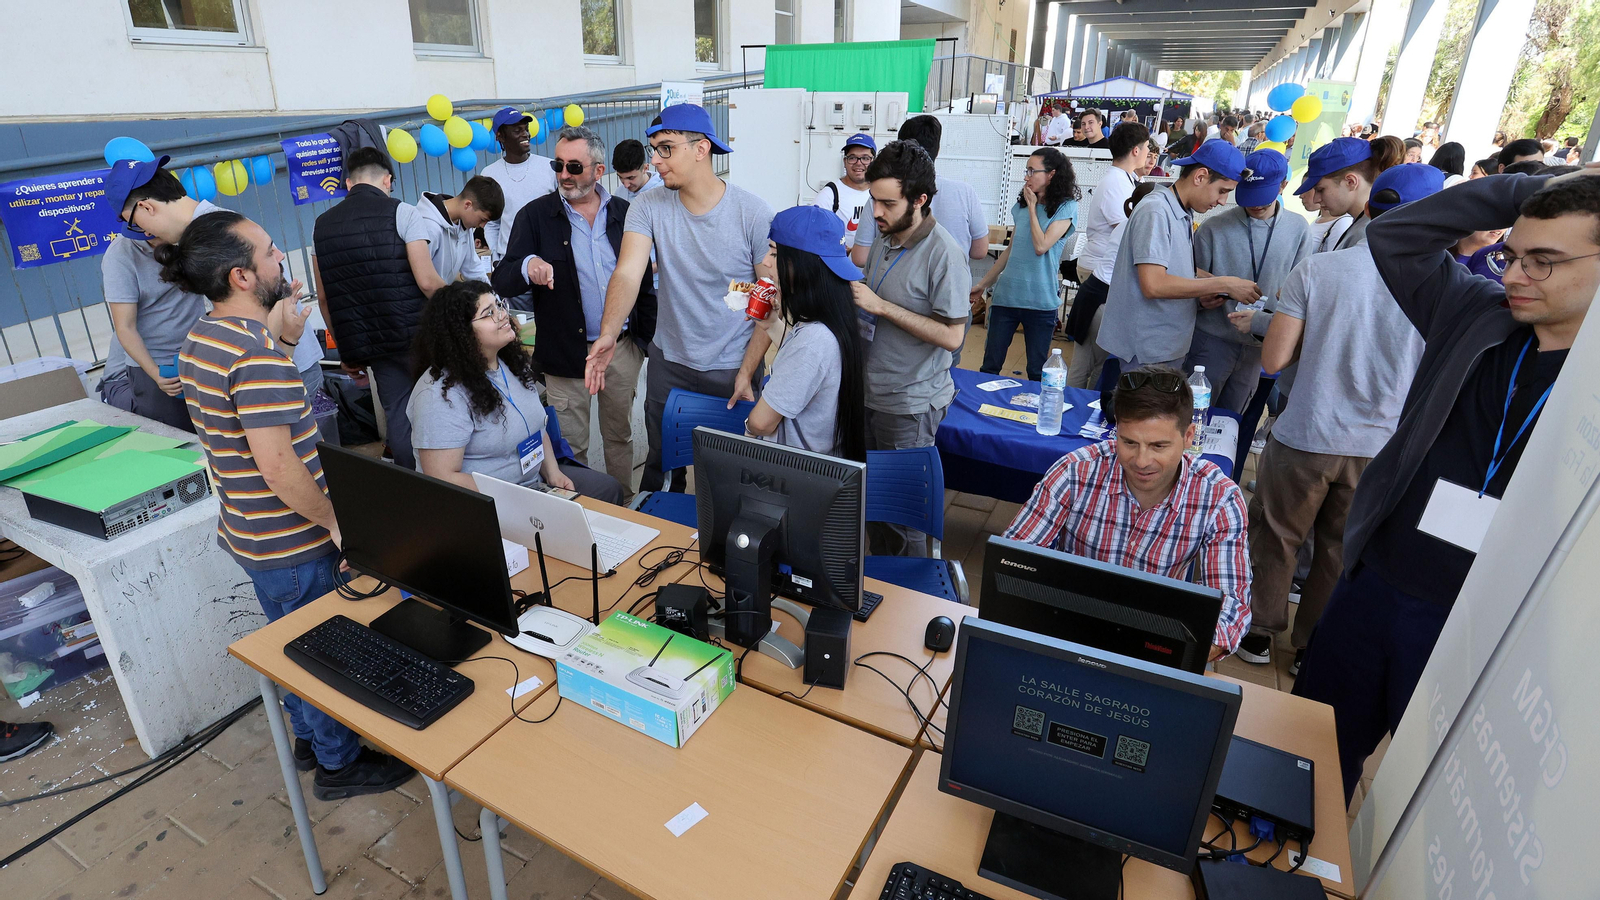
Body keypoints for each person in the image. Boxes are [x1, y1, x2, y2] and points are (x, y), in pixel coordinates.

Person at [1293, 167, 1598, 803]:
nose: (1513, 275)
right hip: (1376, 585)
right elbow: (1397, 237)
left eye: (1543, 262)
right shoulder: (1476, 315)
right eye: (1511, 255)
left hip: (1484, 630)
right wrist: (1535, 190)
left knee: (1433, 799)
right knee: (1305, 756)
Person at [164, 211, 414, 799]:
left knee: (292, 640)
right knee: (323, 651)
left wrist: (286, 337)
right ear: (242, 276)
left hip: (251, 534)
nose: (283, 258)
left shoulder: (206, 338)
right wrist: (334, 521)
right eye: (271, 252)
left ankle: (309, 739)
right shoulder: (254, 358)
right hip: (293, 540)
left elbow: (242, 413)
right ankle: (338, 765)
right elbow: (278, 465)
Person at [1229, 165, 1438, 674]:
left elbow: (1274, 361)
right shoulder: (1444, 287)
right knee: (1340, 551)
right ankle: (1311, 647)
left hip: (1307, 433)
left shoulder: (1321, 271)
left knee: (1278, 533)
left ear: (1370, 207)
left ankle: (1258, 635)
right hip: (1380, 446)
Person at [586, 103, 775, 495]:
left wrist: (747, 370)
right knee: (661, 469)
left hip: (732, 367)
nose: (655, 161)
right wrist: (608, 332)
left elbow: (768, 300)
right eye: (654, 149)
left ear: (701, 148)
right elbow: (627, 272)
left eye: (666, 148)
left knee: (732, 478)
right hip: (668, 363)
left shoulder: (752, 213)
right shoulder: (648, 206)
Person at [1003, 367, 1251, 658]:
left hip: (1156, 644)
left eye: (1159, 446)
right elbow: (1012, 559)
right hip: (1066, 630)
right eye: (1129, 442)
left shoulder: (1219, 497)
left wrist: (1172, 654)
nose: (1142, 461)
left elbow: (1231, 608)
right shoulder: (1075, 470)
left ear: (1189, 436)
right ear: (1116, 429)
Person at [491, 126, 654, 499]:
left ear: (598, 171)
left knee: (619, 437)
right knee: (570, 446)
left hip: (620, 351)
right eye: (558, 165)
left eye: (574, 166)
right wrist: (528, 264)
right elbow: (502, 277)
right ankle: (580, 513)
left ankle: (623, 505)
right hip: (567, 357)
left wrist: (641, 342)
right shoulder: (536, 216)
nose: (564, 174)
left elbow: (643, 282)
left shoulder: (626, 214)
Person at [105, 157, 317, 433]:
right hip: (267, 370)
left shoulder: (215, 235)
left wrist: (272, 361)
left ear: (146, 207)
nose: (143, 233)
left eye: (135, 223)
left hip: (275, 372)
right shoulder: (215, 226)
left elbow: (274, 302)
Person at [852, 140, 971, 555]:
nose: (876, 213)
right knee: (876, 509)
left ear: (920, 199)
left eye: (887, 203)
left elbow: (954, 336)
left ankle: (913, 605)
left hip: (909, 404)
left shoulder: (945, 254)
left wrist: (881, 307)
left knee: (906, 520)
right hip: (872, 393)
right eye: (873, 201)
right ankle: (882, 596)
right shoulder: (886, 238)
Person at [408, 282, 623, 503]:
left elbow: (538, 428)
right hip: (489, 503)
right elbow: (442, 478)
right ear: (461, 332)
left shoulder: (510, 363)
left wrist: (552, 472)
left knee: (609, 489)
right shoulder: (439, 395)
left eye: (499, 305)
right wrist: (515, 498)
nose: (502, 315)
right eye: (488, 313)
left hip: (534, 482)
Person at [311, 147, 432, 469]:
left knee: (398, 413)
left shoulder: (321, 226)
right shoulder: (403, 212)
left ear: (349, 183)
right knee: (438, 407)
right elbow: (428, 282)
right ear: (387, 179)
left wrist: (348, 351)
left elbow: (325, 299)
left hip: (373, 346)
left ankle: (415, 485)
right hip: (419, 336)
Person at [1096, 140, 1260, 372]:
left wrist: (1208, 288)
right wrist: (1223, 283)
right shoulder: (1156, 210)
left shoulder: (1180, 211)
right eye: (1222, 191)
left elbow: (1177, 269)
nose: (1223, 201)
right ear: (1200, 176)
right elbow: (1153, 284)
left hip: (1166, 347)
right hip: (1146, 352)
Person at [1184, 149, 1313, 413]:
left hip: (1259, 343)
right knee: (1192, 416)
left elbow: (1299, 291)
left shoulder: (1298, 228)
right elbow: (1188, 283)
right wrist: (1202, 299)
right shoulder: (1212, 229)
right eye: (1249, 196)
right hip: (1211, 342)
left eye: (1263, 198)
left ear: (1283, 186)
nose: (1255, 205)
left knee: (1232, 421)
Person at [742, 206, 867, 460]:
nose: (766, 261)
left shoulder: (813, 342)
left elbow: (762, 422)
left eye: (775, 253)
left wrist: (748, 429)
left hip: (797, 477)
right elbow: (804, 359)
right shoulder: (828, 323)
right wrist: (771, 324)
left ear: (804, 266)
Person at [972, 148, 1079, 381]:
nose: (1026, 176)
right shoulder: (1020, 207)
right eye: (1026, 170)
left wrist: (1032, 208)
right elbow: (1011, 251)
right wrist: (983, 284)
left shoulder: (1065, 208)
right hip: (1006, 298)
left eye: (1032, 171)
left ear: (1051, 174)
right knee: (990, 366)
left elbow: (1041, 246)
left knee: (1036, 372)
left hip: (1041, 302)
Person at [1064, 123, 1150, 389]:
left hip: (1107, 276)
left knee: (1099, 361)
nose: (1150, 154)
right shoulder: (1115, 182)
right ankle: (1072, 406)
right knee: (1087, 360)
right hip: (1099, 275)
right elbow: (1126, 232)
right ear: (1136, 150)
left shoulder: (1127, 179)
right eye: (1147, 148)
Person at [1295, 135, 1403, 253]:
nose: (1316, 199)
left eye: (1320, 190)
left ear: (1351, 182)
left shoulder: (1368, 234)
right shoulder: (1369, 225)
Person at [480, 107, 556, 264]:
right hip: (510, 262)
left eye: (526, 129)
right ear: (500, 136)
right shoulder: (489, 174)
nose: (525, 134)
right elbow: (491, 223)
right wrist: (496, 256)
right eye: (517, 130)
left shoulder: (549, 166)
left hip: (549, 259)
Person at [811, 133, 876, 250]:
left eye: (865, 158)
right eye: (852, 158)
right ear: (845, 162)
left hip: (874, 267)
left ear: (873, 161)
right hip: (841, 267)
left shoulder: (880, 193)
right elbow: (813, 233)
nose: (859, 163)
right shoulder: (830, 194)